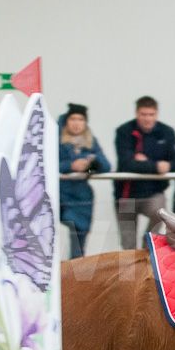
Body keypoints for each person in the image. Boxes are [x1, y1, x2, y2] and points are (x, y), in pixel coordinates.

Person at [114, 96, 175, 249]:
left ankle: (146, 248)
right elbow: (126, 163)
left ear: (157, 114)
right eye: (143, 114)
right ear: (137, 113)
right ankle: (132, 263)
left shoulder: (167, 132)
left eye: (151, 114)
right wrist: (156, 166)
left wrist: (144, 162)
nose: (147, 118)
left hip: (153, 192)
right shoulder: (124, 131)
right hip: (126, 195)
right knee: (128, 245)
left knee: (160, 215)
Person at [58, 103, 111, 259]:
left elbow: (106, 165)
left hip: (81, 197)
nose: (76, 123)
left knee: (79, 237)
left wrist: (90, 165)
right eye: (73, 119)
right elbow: (46, 163)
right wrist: (71, 165)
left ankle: (75, 268)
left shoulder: (90, 141)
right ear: (66, 121)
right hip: (59, 194)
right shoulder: (55, 140)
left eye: (80, 119)